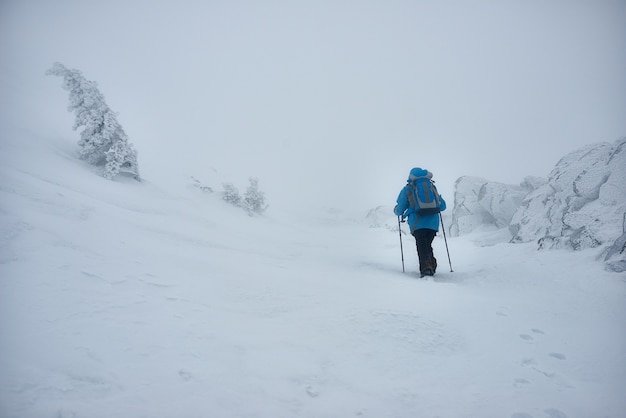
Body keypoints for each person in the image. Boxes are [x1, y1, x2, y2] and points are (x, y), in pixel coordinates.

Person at [394, 167, 447, 277]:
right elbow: (442, 206)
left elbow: (400, 207)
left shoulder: (408, 189)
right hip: (433, 223)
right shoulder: (431, 187)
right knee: (427, 244)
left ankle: (426, 268)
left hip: (417, 222)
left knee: (421, 244)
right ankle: (431, 263)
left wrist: (397, 211)